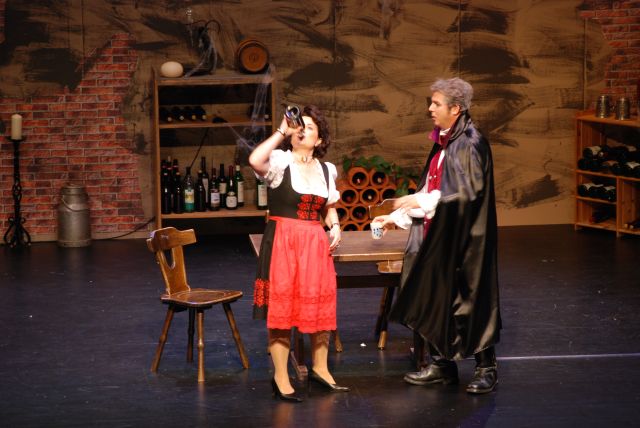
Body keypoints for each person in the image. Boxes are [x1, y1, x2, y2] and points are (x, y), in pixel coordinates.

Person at [373, 77, 501, 394]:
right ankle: (442, 365)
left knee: (471, 298)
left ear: (455, 109)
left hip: (466, 238)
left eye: (436, 103)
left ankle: (486, 367)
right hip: (439, 235)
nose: (430, 108)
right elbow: (432, 188)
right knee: (437, 297)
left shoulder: (470, 142)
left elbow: (468, 194)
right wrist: (397, 217)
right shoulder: (445, 141)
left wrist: (418, 202)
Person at [249, 104, 349, 402]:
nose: (302, 131)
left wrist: (335, 225)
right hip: (283, 240)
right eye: (299, 126)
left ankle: (321, 368)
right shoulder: (280, 162)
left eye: (309, 128)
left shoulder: (326, 170)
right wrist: (282, 130)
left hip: (314, 244)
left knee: (318, 304)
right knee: (282, 309)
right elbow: (254, 160)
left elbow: (328, 206)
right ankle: (281, 375)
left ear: (320, 140)